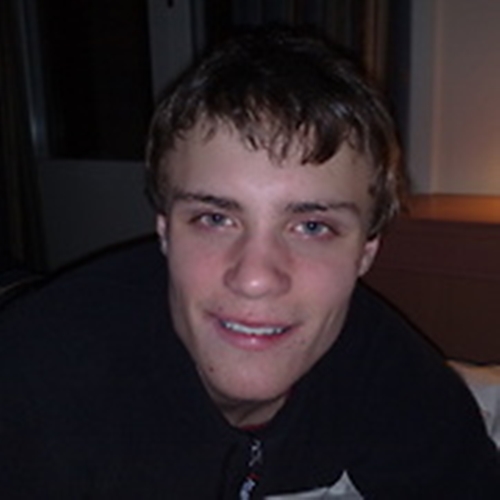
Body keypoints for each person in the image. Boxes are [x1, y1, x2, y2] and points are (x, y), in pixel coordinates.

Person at [0, 26, 499, 499]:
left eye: (312, 227)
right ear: (165, 232)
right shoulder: (38, 385)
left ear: (365, 253)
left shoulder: (386, 370)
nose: (256, 278)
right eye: (215, 218)